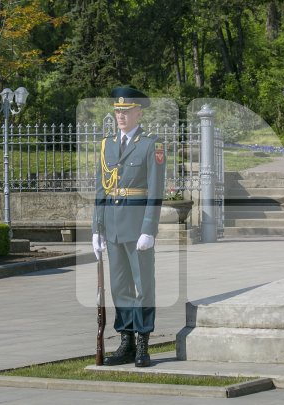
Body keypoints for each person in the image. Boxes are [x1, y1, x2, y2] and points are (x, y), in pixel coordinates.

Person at [91, 86, 165, 368]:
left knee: (143, 286)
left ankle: (144, 342)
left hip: (137, 227)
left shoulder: (151, 144)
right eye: (117, 111)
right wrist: (96, 229)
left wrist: (150, 228)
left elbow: (155, 190)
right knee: (119, 287)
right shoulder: (107, 145)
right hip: (112, 227)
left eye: (126, 111)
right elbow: (100, 189)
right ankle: (127, 342)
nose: (120, 115)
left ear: (138, 113)